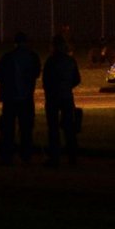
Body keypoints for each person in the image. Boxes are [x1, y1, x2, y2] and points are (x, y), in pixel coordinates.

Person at [0, 32, 41, 166]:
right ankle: (26, 155)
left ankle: (7, 155)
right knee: (26, 129)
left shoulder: (8, 57)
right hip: (26, 98)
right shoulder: (32, 57)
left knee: (8, 129)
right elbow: (37, 73)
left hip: (10, 98)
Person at [41, 34, 81, 167]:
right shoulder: (70, 60)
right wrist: (68, 86)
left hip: (53, 97)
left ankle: (55, 157)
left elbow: (45, 80)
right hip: (66, 96)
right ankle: (72, 157)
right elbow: (77, 79)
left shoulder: (51, 61)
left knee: (53, 128)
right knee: (69, 127)